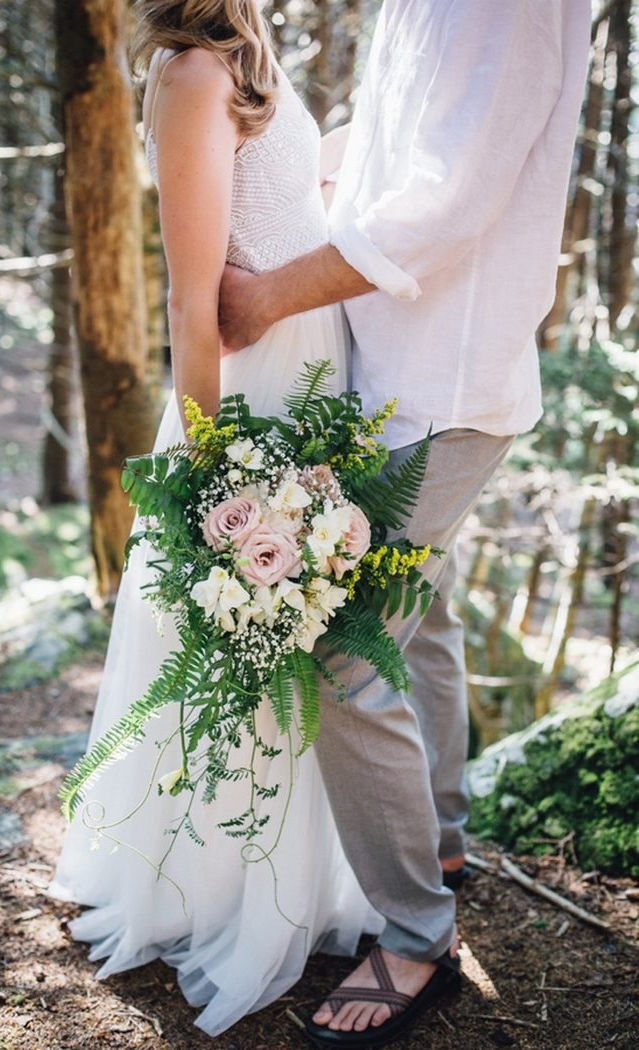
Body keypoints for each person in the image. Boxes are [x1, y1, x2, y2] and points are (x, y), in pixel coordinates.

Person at [217, 1, 592, 1045]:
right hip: (394, 362)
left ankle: (416, 934)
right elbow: (393, 142)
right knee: (415, 620)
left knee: (339, 644)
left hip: (444, 378)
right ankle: (446, 844)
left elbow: (450, 198)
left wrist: (268, 298)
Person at [48, 0, 385, 1037]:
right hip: (245, 415)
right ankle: (220, 890)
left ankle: (309, 878)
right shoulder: (190, 72)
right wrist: (205, 485)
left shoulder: (246, 49)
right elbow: (196, 306)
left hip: (310, 385)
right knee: (242, 647)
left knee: (302, 656)